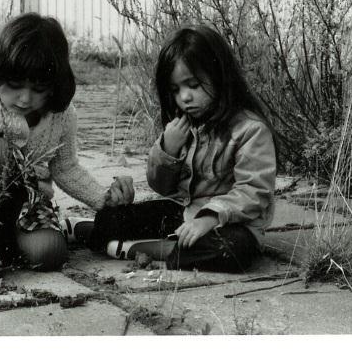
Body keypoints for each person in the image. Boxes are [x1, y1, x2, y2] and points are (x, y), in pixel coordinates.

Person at [64, 25, 277, 273]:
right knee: (111, 218)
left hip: (232, 225)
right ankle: (91, 230)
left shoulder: (250, 130)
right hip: (183, 214)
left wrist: (209, 219)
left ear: (220, 75)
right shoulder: (184, 125)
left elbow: (254, 192)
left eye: (193, 85)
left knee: (230, 251)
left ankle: (142, 249)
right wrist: (168, 149)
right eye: (176, 90)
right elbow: (160, 186)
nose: (184, 97)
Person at [0, 12, 134, 273]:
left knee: (50, 254)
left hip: (29, 207)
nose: (25, 99)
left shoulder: (61, 115)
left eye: (38, 89)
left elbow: (65, 167)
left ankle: (4, 248)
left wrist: (103, 199)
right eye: (15, 85)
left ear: (54, 85)